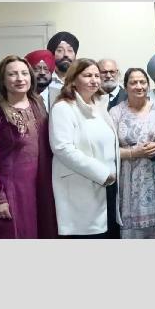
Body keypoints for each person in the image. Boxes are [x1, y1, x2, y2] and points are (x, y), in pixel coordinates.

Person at [0, 55, 57, 238]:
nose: (20, 78)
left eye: (24, 73)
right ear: (3, 80)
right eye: (12, 74)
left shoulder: (37, 103)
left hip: (40, 187)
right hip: (10, 190)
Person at [49, 58, 120, 238]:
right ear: (73, 80)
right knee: (88, 238)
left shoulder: (99, 105)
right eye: (88, 75)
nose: (94, 80)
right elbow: (62, 148)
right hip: (82, 186)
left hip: (108, 185)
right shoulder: (63, 107)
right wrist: (102, 173)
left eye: (96, 75)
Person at [110, 68, 155, 239]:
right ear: (125, 87)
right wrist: (133, 153)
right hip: (129, 181)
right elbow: (108, 151)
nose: (139, 86)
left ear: (148, 85)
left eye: (142, 82)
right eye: (133, 82)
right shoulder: (115, 112)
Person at [46, 31, 79, 110]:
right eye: (60, 50)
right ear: (52, 54)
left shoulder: (81, 80)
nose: (66, 55)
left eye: (70, 50)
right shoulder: (45, 81)